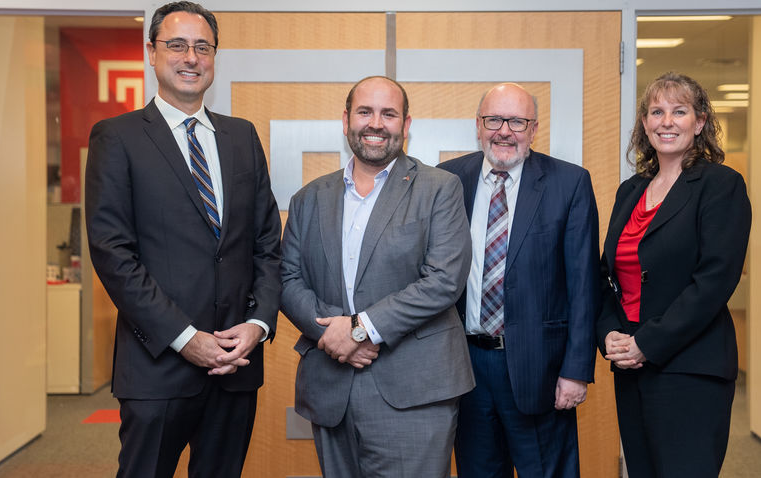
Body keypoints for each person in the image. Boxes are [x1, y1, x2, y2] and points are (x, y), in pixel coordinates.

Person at [84, 2, 282, 476]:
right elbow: (113, 254)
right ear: (152, 53)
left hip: (235, 366)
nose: (190, 57)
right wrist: (184, 337)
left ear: (214, 56)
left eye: (202, 47)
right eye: (176, 45)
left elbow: (266, 244)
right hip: (156, 367)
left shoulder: (241, 137)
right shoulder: (118, 137)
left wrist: (257, 325)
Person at [280, 76, 474, 477]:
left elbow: (443, 279)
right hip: (331, 386)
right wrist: (333, 336)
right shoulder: (308, 199)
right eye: (365, 112)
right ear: (347, 118)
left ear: (405, 124)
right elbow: (288, 280)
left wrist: (358, 330)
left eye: (389, 114)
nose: (376, 123)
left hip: (413, 389)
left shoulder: (440, 188)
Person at [438, 82, 600, 478]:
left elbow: (583, 285)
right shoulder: (447, 180)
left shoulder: (569, 183)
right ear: (478, 125)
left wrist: (576, 370)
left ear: (534, 128)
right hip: (467, 366)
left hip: (541, 370)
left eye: (517, 121)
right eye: (494, 119)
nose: (505, 130)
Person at [596, 72, 751, 478]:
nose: (667, 121)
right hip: (631, 366)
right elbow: (607, 276)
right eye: (657, 111)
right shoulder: (631, 190)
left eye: (679, 111)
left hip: (690, 369)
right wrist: (609, 332)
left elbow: (715, 280)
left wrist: (648, 342)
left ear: (700, 122)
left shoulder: (720, 185)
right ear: (645, 124)